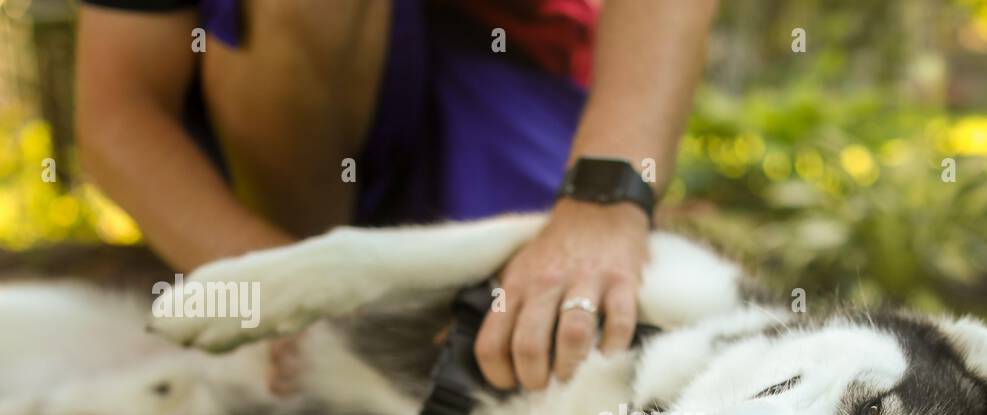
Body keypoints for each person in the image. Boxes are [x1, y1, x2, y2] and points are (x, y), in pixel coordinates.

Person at [74, 0, 716, 390]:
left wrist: (605, 201)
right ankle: (304, 345)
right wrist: (274, 285)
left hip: (500, 80)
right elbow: (117, 107)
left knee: (558, 346)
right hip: (262, 106)